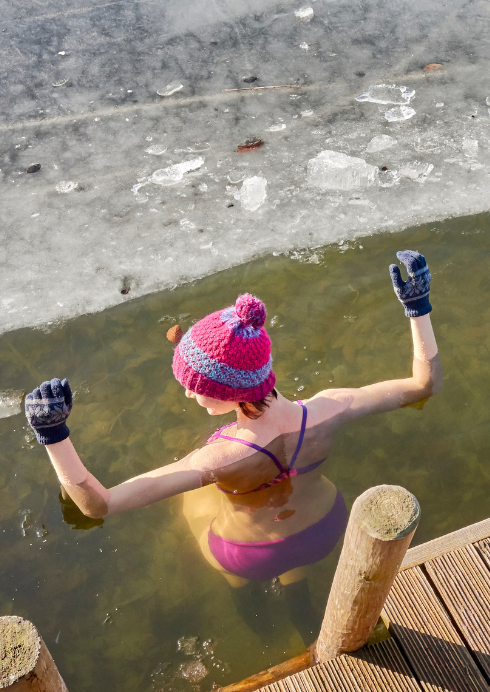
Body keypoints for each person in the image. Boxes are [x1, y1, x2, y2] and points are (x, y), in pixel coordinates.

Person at [23, 250, 442, 641]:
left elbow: (99, 505)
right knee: (291, 547)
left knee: (193, 503)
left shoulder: (217, 457)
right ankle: (298, 594)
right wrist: (418, 306)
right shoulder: (329, 408)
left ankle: (245, 599)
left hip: (249, 554)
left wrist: (54, 435)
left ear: (229, 393)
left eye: (194, 388)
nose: (188, 395)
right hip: (327, 526)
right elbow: (424, 384)